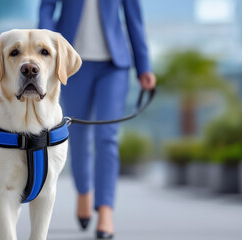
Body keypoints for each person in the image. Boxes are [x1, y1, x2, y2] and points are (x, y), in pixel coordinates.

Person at [39, 0, 156, 238]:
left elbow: (135, 19)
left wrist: (144, 66)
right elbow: (46, 7)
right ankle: (84, 192)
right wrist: (45, 48)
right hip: (71, 64)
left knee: (107, 136)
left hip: (114, 66)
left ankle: (105, 210)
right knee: (79, 135)